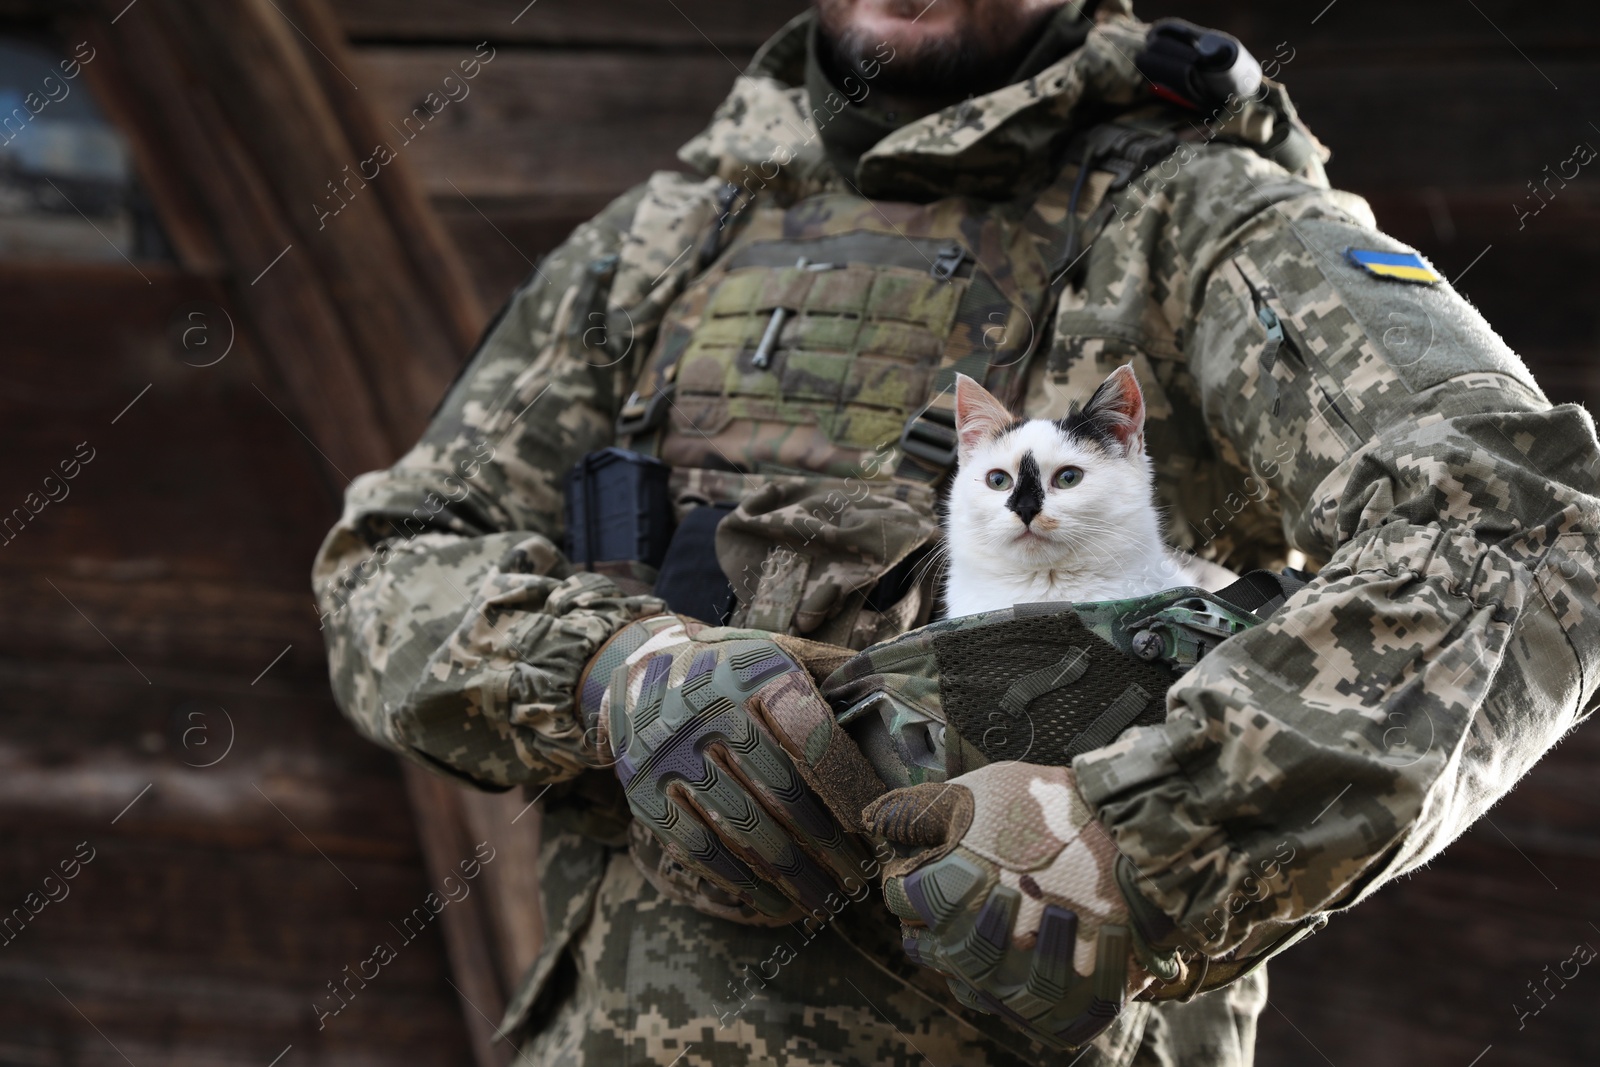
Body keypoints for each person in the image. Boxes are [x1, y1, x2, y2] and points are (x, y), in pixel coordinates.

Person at [311, 0, 1600, 1063]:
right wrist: (608, 670)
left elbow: (1532, 534)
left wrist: (1140, 843)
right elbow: (390, 562)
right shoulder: (664, 240)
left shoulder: (1206, 225)